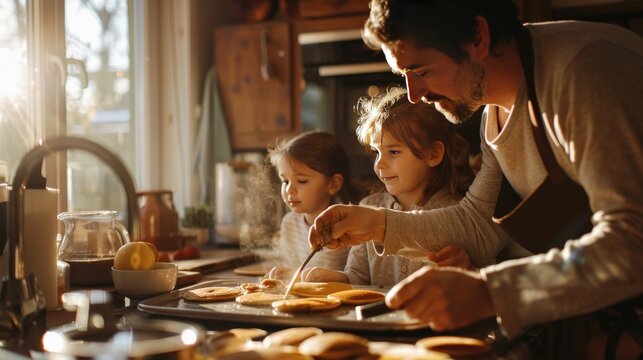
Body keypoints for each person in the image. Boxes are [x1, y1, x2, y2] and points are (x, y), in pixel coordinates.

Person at [308, 0, 643, 354]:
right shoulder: (493, 114)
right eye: (404, 76)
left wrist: (489, 292)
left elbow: (632, 242)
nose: (413, 94)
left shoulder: (582, 72)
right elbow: (477, 224)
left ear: (479, 37)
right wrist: (377, 225)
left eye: (421, 71)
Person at [302, 86, 477, 286]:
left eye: (393, 152)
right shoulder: (367, 207)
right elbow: (358, 277)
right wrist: (338, 279)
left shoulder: (457, 217)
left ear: (434, 154)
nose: (379, 163)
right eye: (377, 152)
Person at [266, 131, 361, 277]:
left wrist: (295, 276)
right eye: (285, 181)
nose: (289, 189)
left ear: (333, 184)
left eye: (302, 181)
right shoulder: (289, 223)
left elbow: (339, 279)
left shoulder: (344, 227)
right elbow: (289, 267)